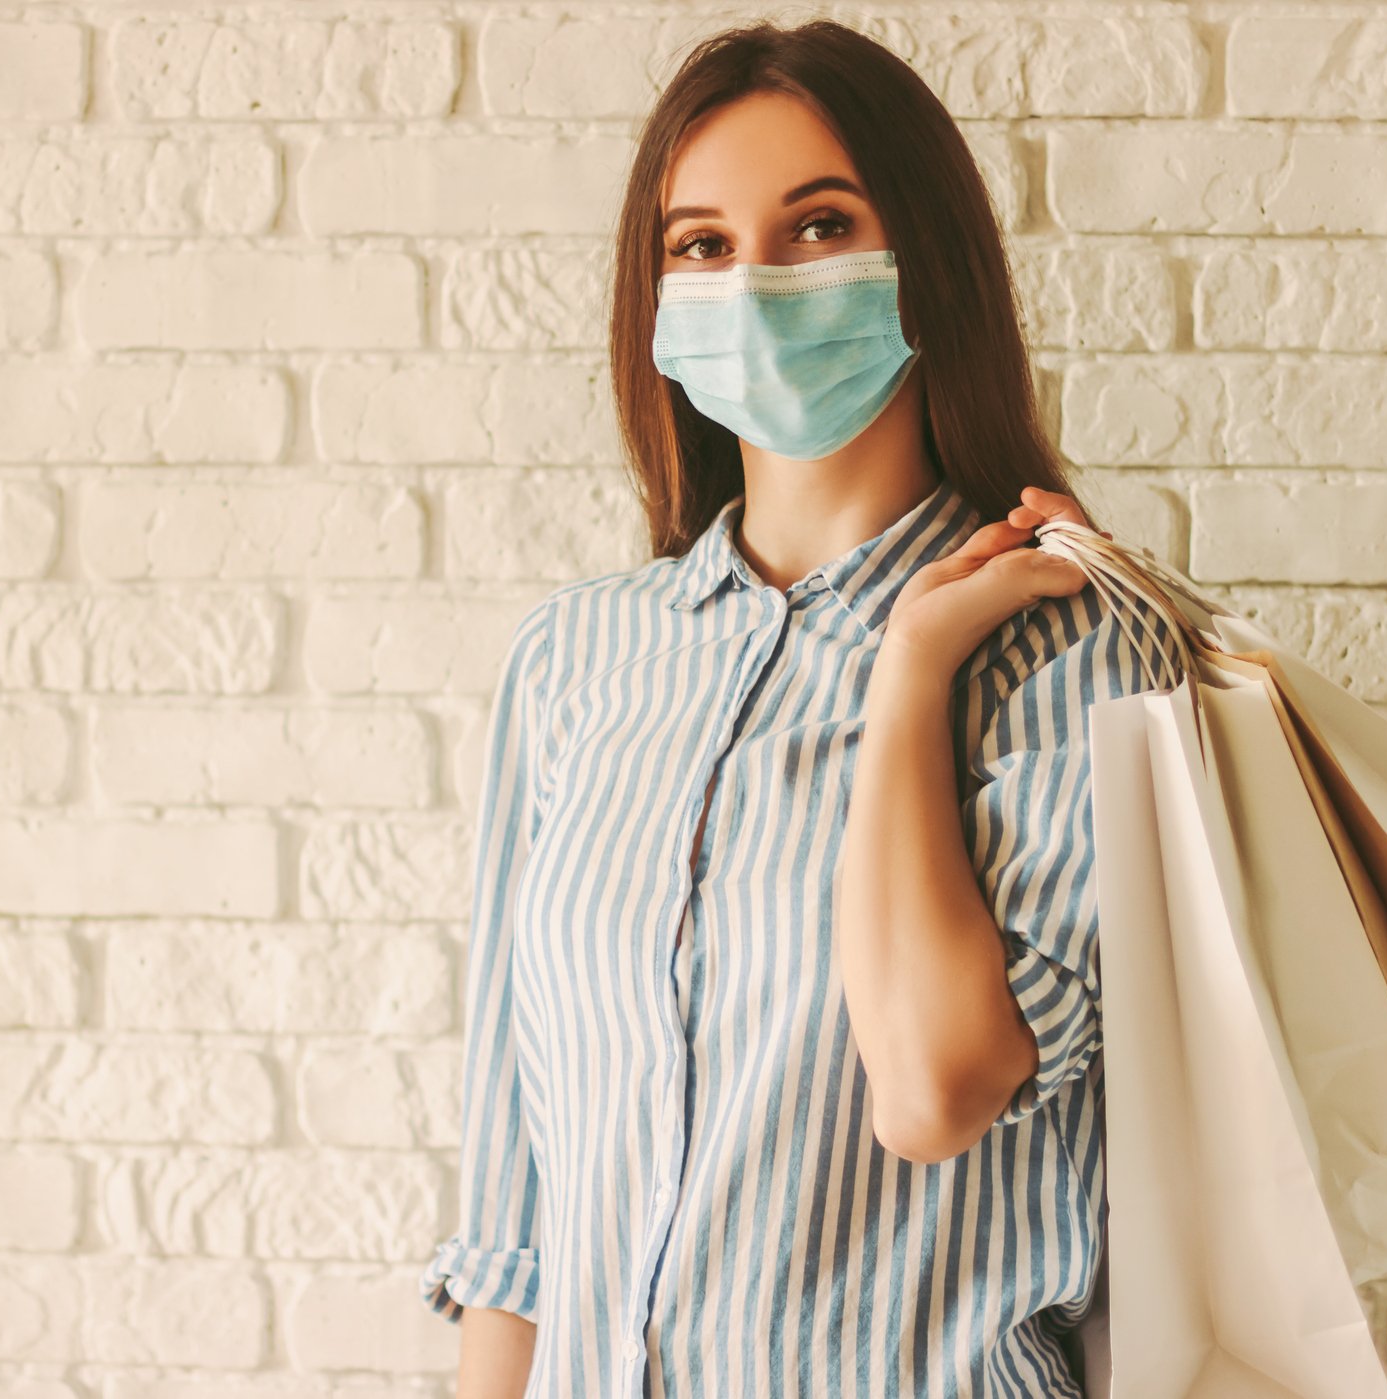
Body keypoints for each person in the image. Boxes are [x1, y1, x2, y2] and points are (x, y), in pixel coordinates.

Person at [418, 18, 1164, 1399]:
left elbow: (937, 1089)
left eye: (817, 226)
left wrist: (911, 674)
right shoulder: (578, 662)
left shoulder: (1075, 656)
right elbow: (520, 1219)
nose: (752, 282)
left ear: (925, 267)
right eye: (699, 245)